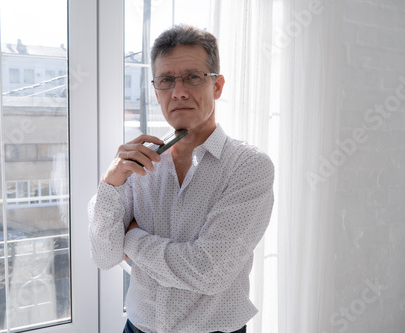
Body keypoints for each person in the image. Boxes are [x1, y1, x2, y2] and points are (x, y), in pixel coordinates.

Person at [88, 25, 274, 333]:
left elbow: (209, 272)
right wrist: (110, 183)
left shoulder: (248, 166)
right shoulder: (135, 166)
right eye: (166, 80)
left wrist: (131, 238)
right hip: (136, 328)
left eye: (193, 77)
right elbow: (104, 256)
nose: (179, 91)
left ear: (217, 86)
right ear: (156, 89)